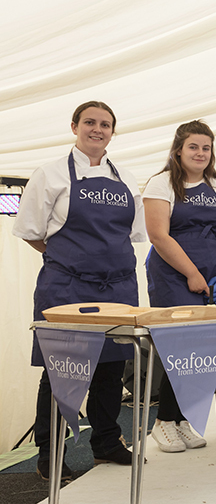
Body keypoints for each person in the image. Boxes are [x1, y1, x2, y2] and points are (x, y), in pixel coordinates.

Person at [15, 101, 147, 480]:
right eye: (90, 122)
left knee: (110, 367)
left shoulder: (125, 178)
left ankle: (106, 443)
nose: (97, 129)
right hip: (67, 287)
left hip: (118, 288)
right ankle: (50, 454)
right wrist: (70, 260)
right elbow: (32, 232)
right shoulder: (50, 174)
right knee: (62, 370)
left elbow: (132, 233)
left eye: (105, 124)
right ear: (74, 126)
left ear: (112, 132)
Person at [143, 120, 216, 452]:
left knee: (206, 351)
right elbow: (159, 235)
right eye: (194, 147)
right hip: (174, 276)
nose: (200, 153)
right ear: (178, 150)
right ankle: (163, 422)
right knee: (179, 349)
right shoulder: (161, 184)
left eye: (206, 147)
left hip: (214, 278)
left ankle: (181, 418)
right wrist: (191, 273)